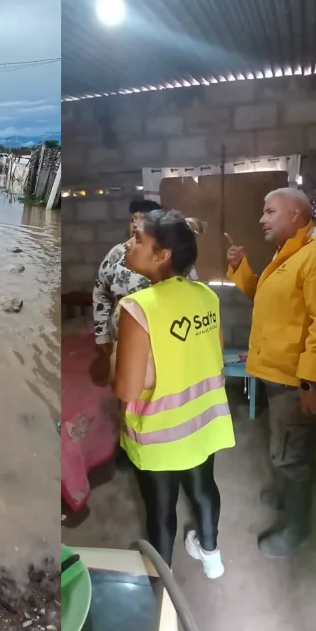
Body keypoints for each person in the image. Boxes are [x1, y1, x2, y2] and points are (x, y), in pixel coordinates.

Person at [226, 187, 316, 557]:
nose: (261, 219)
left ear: (295, 214)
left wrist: (309, 383)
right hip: (275, 371)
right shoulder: (289, 253)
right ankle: (286, 495)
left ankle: (297, 528)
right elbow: (269, 301)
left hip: (294, 379)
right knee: (288, 444)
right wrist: (241, 268)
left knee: (290, 455)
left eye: (269, 211)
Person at [113, 209, 235, 578]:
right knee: (203, 488)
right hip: (203, 419)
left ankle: (162, 582)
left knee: (161, 507)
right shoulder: (206, 296)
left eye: (138, 239)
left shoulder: (138, 308)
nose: (129, 244)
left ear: (162, 255)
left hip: (159, 431)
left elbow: (126, 388)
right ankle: (211, 555)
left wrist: (116, 357)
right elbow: (214, 356)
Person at [91, 199, 197, 385]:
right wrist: (103, 336)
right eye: (133, 219)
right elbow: (101, 291)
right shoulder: (118, 254)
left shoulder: (137, 308)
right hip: (123, 343)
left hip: (164, 349)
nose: (135, 224)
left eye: (143, 220)